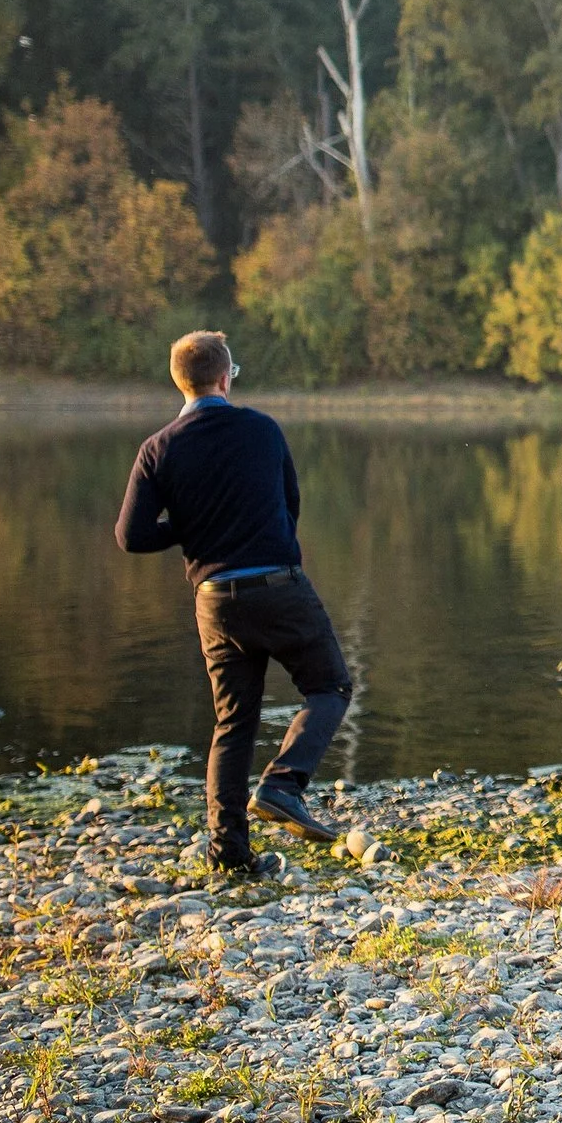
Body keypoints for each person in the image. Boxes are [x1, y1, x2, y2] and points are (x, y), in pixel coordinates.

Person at [116, 331, 351, 878]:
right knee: (330, 686)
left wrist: (188, 528)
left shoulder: (159, 448)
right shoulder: (263, 430)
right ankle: (282, 785)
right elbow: (290, 505)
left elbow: (130, 537)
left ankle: (230, 855)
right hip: (278, 587)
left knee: (233, 722)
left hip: (215, 600)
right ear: (226, 378)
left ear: (180, 381)